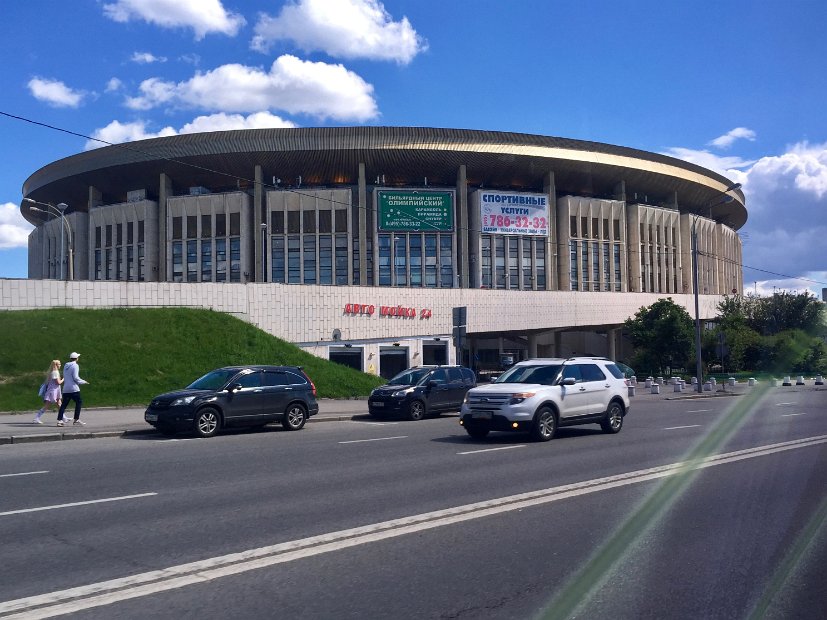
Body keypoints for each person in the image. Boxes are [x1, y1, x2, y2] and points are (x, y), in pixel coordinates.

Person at [57, 352, 89, 426]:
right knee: (79, 402)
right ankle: (76, 419)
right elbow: (75, 377)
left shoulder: (66, 365)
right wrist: (84, 382)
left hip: (66, 389)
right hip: (74, 389)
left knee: (63, 405)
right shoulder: (75, 365)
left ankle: (59, 421)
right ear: (76, 358)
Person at [33, 359, 63, 424]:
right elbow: (58, 382)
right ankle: (36, 418)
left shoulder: (54, 372)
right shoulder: (55, 372)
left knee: (59, 404)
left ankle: (63, 417)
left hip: (55, 390)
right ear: (56, 365)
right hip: (53, 391)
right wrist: (64, 379)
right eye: (59, 364)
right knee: (47, 406)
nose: (60, 365)